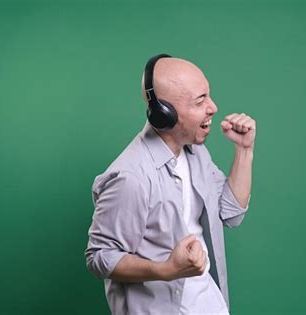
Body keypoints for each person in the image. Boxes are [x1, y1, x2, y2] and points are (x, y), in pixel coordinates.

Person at [85, 53, 256, 315]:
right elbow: (99, 257)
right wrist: (166, 270)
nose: (213, 107)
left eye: (208, 95)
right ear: (164, 114)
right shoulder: (130, 177)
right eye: (200, 101)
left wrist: (244, 150)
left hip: (210, 305)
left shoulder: (196, 153)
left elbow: (231, 213)